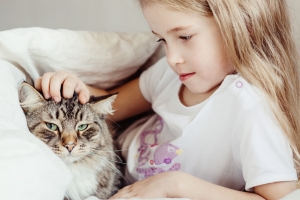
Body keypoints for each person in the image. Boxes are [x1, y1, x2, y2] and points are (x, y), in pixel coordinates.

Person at [34, 0, 300, 199]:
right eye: (163, 40)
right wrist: (70, 85)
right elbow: (107, 106)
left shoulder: (252, 108)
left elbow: (280, 198)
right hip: (114, 168)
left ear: (244, 26)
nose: (172, 58)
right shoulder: (171, 74)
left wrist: (175, 185)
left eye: (185, 37)